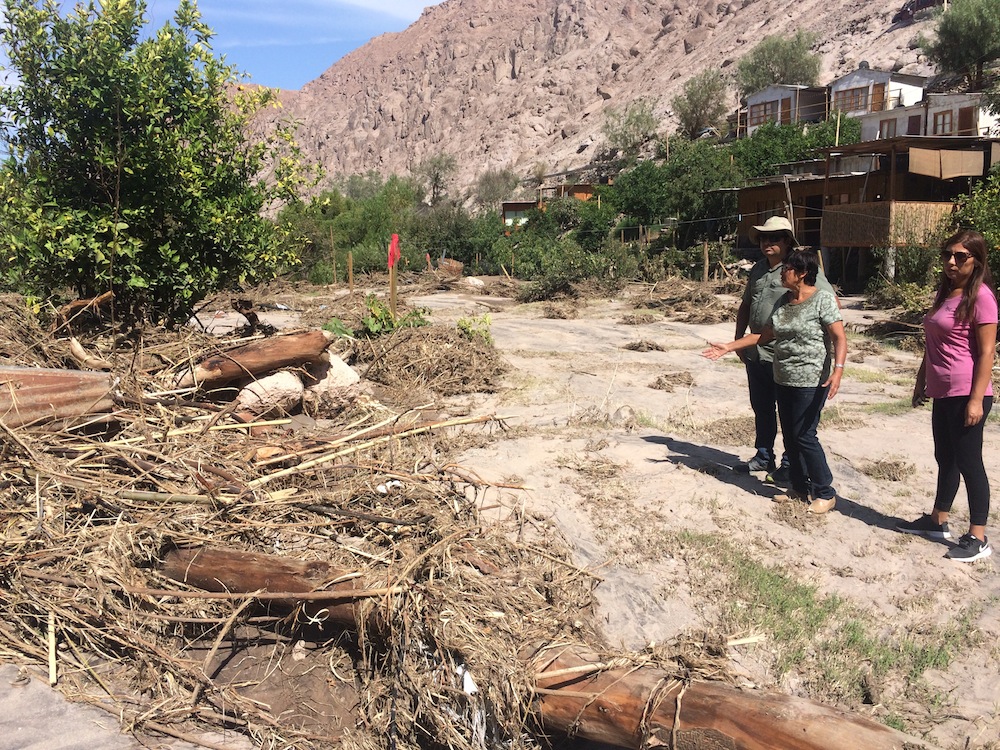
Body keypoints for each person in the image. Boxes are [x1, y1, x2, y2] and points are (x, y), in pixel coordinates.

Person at [704, 248, 847, 514]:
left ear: (803, 273)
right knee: (792, 435)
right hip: (784, 377)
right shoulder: (784, 302)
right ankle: (799, 489)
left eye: (788, 269)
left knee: (805, 435)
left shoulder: (822, 301)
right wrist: (729, 346)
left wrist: (838, 370)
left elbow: (839, 338)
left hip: (812, 379)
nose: (782, 272)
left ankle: (825, 492)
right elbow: (763, 336)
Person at [897, 229, 997, 562]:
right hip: (943, 390)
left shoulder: (981, 296)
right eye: (947, 255)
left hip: (968, 391)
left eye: (961, 256)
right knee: (946, 458)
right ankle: (938, 520)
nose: (951, 262)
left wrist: (975, 399)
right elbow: (934, 344)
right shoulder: (946, 292)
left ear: (977, 260)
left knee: (970, 462)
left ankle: (978, 537)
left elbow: (986, 354)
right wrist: (920, 380)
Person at [735, 216, 838, 482]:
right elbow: (746, 304)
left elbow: (827, 303)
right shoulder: (758, 269)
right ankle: (763, 455)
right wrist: (738, 339)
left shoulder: (800, 269)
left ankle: (792, 465)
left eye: (773, 238)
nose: (766, 242)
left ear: (787, 241)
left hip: (788, 358)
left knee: (792, 417)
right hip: (758, 351)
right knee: (762, 407)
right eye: (762, 238)